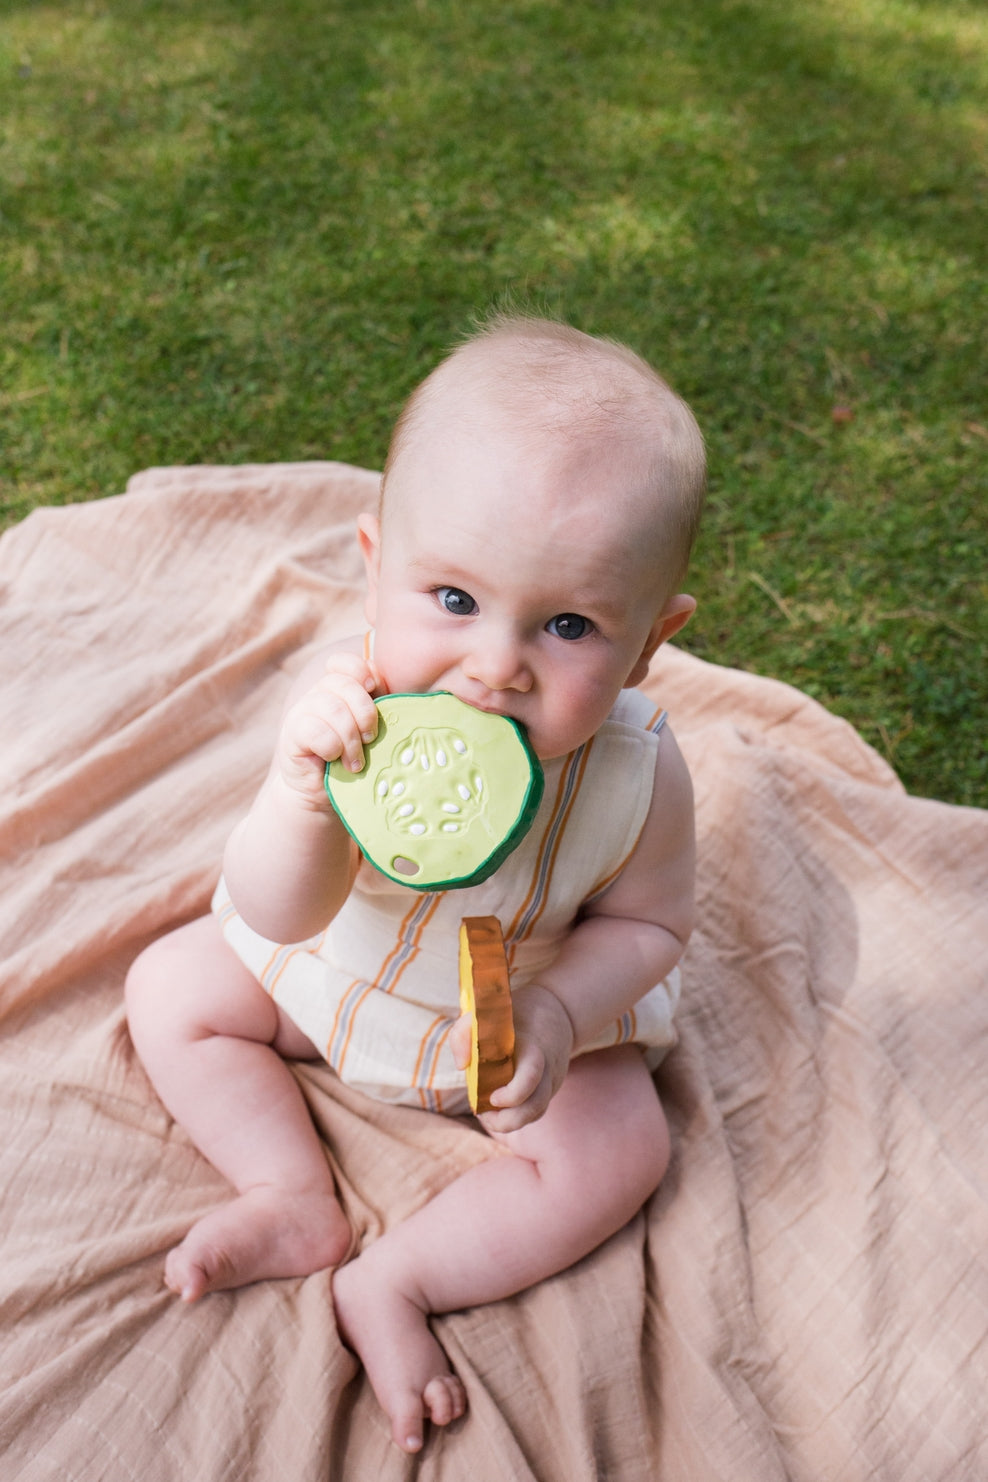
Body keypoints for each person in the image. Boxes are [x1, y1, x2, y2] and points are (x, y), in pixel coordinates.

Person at [125, 314, 705, 1454]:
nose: (496, 667)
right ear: (375, 563)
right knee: (171, 988)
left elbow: (651, 925)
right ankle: (292, 1198)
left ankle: (397, 1282)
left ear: (648, 644)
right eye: (453, 600)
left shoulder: (638, 770)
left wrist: (560, 1009)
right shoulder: (350, 723)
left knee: (623, 1152)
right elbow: (279, 914)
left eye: (571, 624)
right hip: (335, 983)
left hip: (523, 1043)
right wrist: (300, 796)